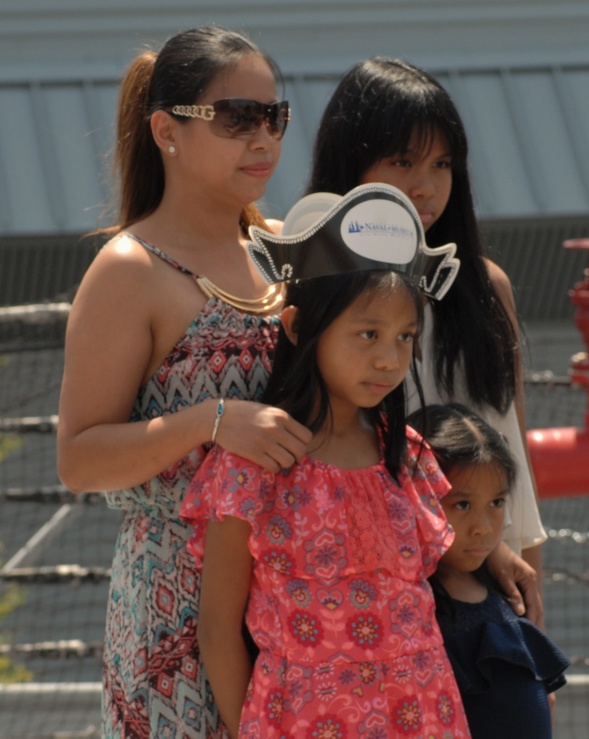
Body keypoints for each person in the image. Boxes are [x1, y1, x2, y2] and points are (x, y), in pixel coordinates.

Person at [55, 26, 311, 737]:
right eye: (237, 118)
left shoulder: (287, 248)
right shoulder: (130, 269)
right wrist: (211, 420)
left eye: (274, 116)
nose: (262, 138)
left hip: (297, 590)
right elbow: (78, 458)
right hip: (174, 600)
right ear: (166, 130)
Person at [181, 184, 470, 737]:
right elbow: (217, 630)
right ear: (297, 328)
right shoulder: (252, 463)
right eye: (367, 334)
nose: (389, 358)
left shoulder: (404, 453)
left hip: (425, 713)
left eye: (405, 336)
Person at [307, 56, 548, 623]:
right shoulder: (312, 298)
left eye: (442, 164)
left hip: (490, 592)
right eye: (402, 160)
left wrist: (532, 631)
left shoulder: (486, 287)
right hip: (372, 603)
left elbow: (514, 469)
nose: (426, 184)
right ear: (350, 166)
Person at [410, 403, 569, 739]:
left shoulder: (506, 593)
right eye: (462, 505)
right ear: (415, 498)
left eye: (496, 503)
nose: (483, 527)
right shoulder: (409, 609)